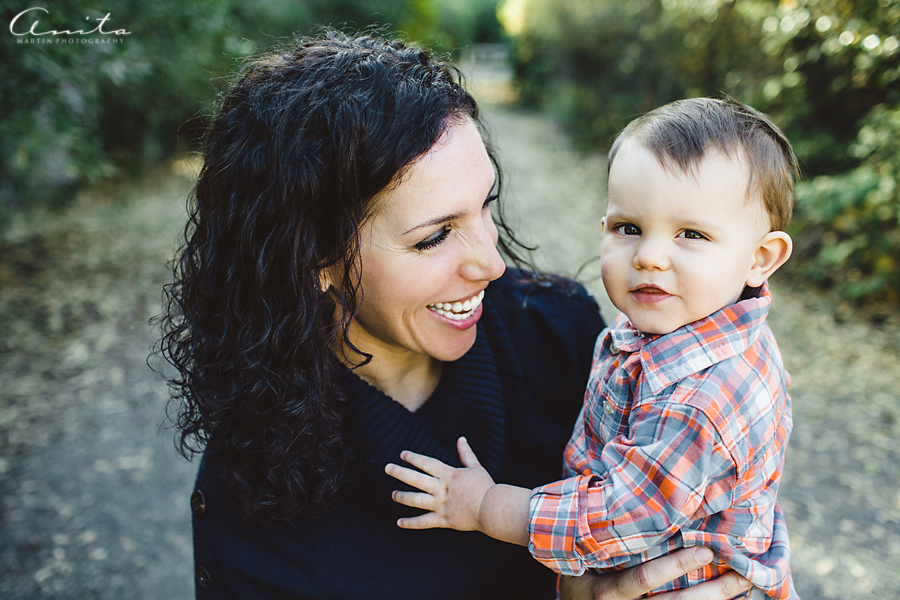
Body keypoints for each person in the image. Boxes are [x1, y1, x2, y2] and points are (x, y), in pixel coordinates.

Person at [158, 30, 763, 599]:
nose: (492, 266)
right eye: (434, 237)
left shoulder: (562, 337)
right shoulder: (258, 499)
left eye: (485, 208)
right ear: (313, 257)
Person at [387, 97, 798, 598]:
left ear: (761, 258)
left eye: (691, 234)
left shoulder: (706, 398)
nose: (649, 256)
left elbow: (621, 518)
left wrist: (488, 507)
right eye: (630, 228)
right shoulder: (676, 328)